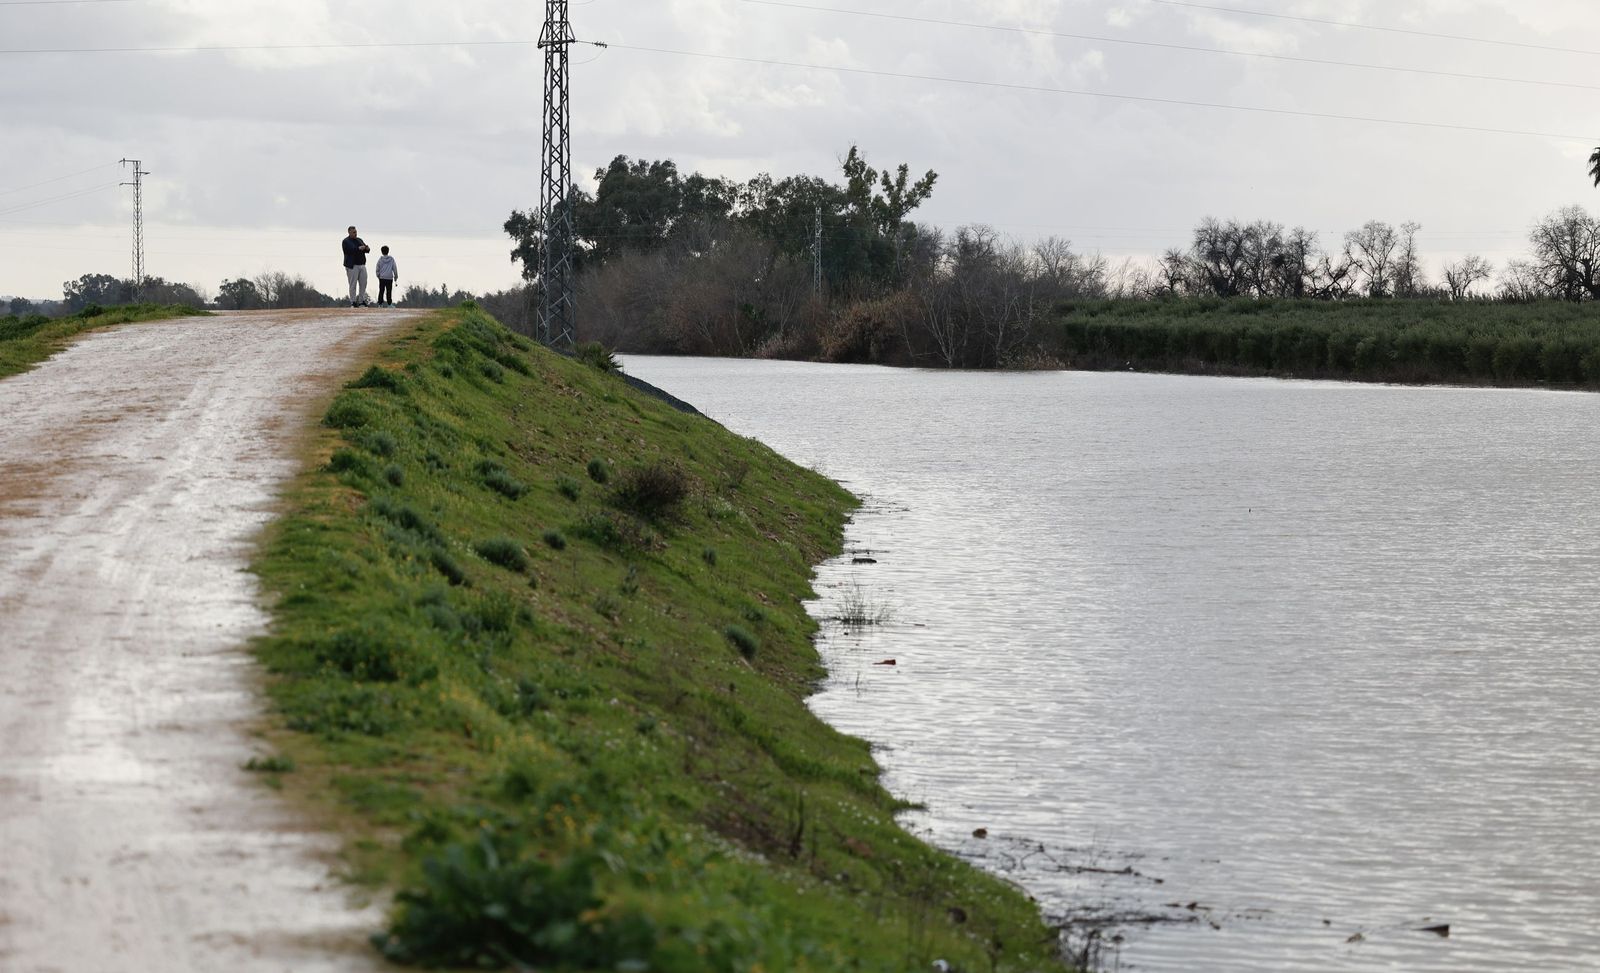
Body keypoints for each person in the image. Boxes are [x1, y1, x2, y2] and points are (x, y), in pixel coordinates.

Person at [342, 226, 371, 307]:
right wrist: (358, 248)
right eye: (354, 232)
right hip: (352, 266)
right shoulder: (346, 241)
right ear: (349, 232)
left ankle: (361, 301)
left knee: (363, 284)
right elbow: (349, 251)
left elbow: (366, 250)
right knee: (353, 284)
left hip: (362, 265)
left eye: (356, 232)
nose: (355, 233)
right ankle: (353, 302)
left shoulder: (359, 240)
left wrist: (367, 248)